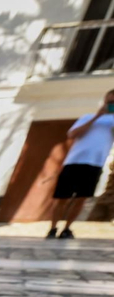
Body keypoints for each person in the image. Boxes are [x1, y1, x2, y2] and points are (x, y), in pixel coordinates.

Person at [47, 88, 114, 240]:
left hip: (95, 164)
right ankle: (52, 228)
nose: (111, 105)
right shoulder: (87, 117)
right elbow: (72, 134)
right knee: (61, 197)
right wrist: (97, 117)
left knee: (81, 198)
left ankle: (67, 228)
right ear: (104, 101)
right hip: (74, 162)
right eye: (109, 102)